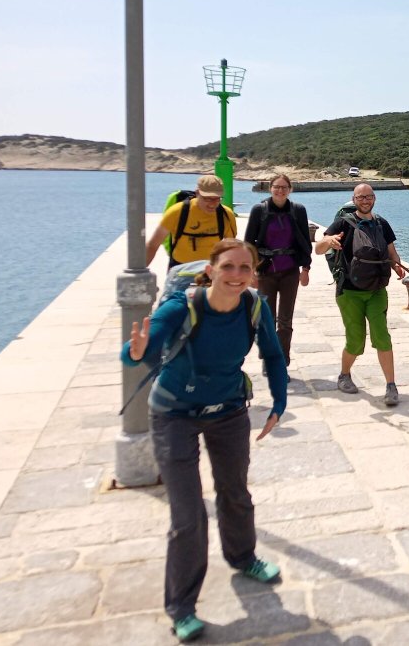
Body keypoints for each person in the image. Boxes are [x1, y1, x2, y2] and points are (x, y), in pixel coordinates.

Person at [122, 239, 287, 643]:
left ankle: (243, 557)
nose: (236, 275)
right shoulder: (183, 306)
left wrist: (279, 403)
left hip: (228, 410)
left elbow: (272, 354)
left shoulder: (254, 305)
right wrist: (135, 350)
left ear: (254, 272)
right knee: (188, 515)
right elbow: (143, 350)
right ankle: (181, 606)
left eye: (244, 268)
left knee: (235, 492)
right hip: (173, 414)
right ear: (211, 270)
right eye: (228, 267)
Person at [314, 183, 407, 405]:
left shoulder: (382, 223)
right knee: (356, 341)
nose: (365, 200)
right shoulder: (342, 223)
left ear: (374, 198)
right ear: (354, 200)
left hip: (376, 290)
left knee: (382, 336)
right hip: (349, 292)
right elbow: (318, 249)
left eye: (369, 197)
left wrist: (397, 266)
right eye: (360, 197)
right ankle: (344, 374)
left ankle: (391, 386)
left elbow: (391, 250)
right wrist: (328, 240)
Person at [243, 173, 312, 367]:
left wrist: (305, 268)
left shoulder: (298, 210)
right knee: (267, 318)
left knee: (285, 320)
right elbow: (248, 243)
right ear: (270, 188)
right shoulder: (259, 210)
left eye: (284, 187)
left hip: (290, 271)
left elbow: (305, 242)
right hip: (266, 272)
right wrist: (250, 272)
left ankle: (282, 360)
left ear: (290, 189)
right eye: (276, 187)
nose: (280, 190)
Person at [145, 174, 238, 268]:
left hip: (210, 271)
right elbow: (153, 245)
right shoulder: (177, 212)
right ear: (197, 193)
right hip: (180, 270)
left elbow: (231, 248)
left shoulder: (226, 215)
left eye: (217, 199)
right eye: (207, 198)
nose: (212, 204)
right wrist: (141, 272)